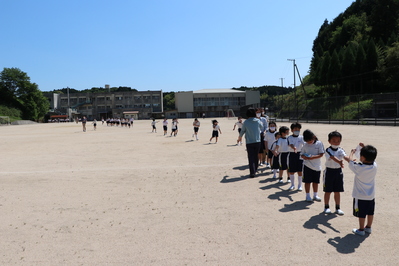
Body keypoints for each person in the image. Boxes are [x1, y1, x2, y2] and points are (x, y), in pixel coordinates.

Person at [344, 143, 377, 236]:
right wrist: (364, 147)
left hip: (360, 196)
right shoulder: (374, 166)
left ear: (362, 157)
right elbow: (371, 156)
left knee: (361, 214)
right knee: (370, 212)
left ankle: (361, 229)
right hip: (371, 195)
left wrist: (352, 152)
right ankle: (368, 227)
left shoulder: (358, 168)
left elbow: (349, 161)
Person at [323, 131, 348, 215]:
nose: (336, 142)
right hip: (329, 172)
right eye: (334, 140)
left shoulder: (341, 150)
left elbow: (345, 156)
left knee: (337, 191)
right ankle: (326, 207)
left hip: (338, 172)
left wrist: (350, 160)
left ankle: (338, 208)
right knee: (328, 191)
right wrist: (340, 162)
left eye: (338, 141)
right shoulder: (328, 150)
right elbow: (332, 157)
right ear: (329, 141)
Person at [238, 108, 263, 178]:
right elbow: (262, 126)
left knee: (251, 157)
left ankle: (252, 172)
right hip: (257, 141)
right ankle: (255, 169)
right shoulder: (258, 121)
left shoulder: (246, 122)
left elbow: (242, 131)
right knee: (256, 156)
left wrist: (239, 137)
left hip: (249, 142)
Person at [301, 129, 325, 202]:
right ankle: (307, 195)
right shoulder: (305, 145)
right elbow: (301, 154)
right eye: (307, 141)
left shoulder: (319, 143)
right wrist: (304, 157)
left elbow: (321, 154)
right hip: (307, 166)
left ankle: (315, 195)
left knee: (316, 182)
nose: (309, 142)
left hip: (317, 166)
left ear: (314, 137)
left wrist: (312, 157)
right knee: (307, 182)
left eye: (310, 141)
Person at [287, 122, 305, 191]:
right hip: (292, 154)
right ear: (291, 130)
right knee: (291, 171)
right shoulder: (289, 137)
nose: (296, 130)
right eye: (295, 129)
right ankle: (292, 185)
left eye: (298, 129)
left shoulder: (302, 137)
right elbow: (290, 144)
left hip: (300, 154)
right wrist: (294, 147)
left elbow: (305, 144)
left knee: (300, 171)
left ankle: (300, 185)